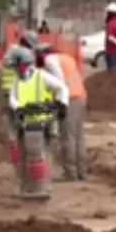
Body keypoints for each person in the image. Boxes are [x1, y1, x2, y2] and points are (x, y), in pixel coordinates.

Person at [8, 47, 69, 198]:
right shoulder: (17, 81)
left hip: (43, 122)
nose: (15, 70)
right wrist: (17, 109)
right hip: (26, 123)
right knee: (25, 155)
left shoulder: (41, 77)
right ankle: (28, 186)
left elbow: (62, 88)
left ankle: (42, 187)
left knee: (40, 155)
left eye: (16, 66)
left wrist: (62, 104)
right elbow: (12, 98)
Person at [36, 43, 88, 181]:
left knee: (68, 136)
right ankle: (82, 171)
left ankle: (70, 173)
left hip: (70, 99)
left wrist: (58, 104)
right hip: (81, 96)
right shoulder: (67, 58)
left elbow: (60, 83)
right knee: (79, 137)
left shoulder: (50, 60)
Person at [0, 30, 39, 175]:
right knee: (23, 126)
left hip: (7, 92)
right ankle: (24, 161)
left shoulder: (11, 51)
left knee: (12, 130)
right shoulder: (24, 54)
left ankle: (18, 162)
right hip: (19, 93)